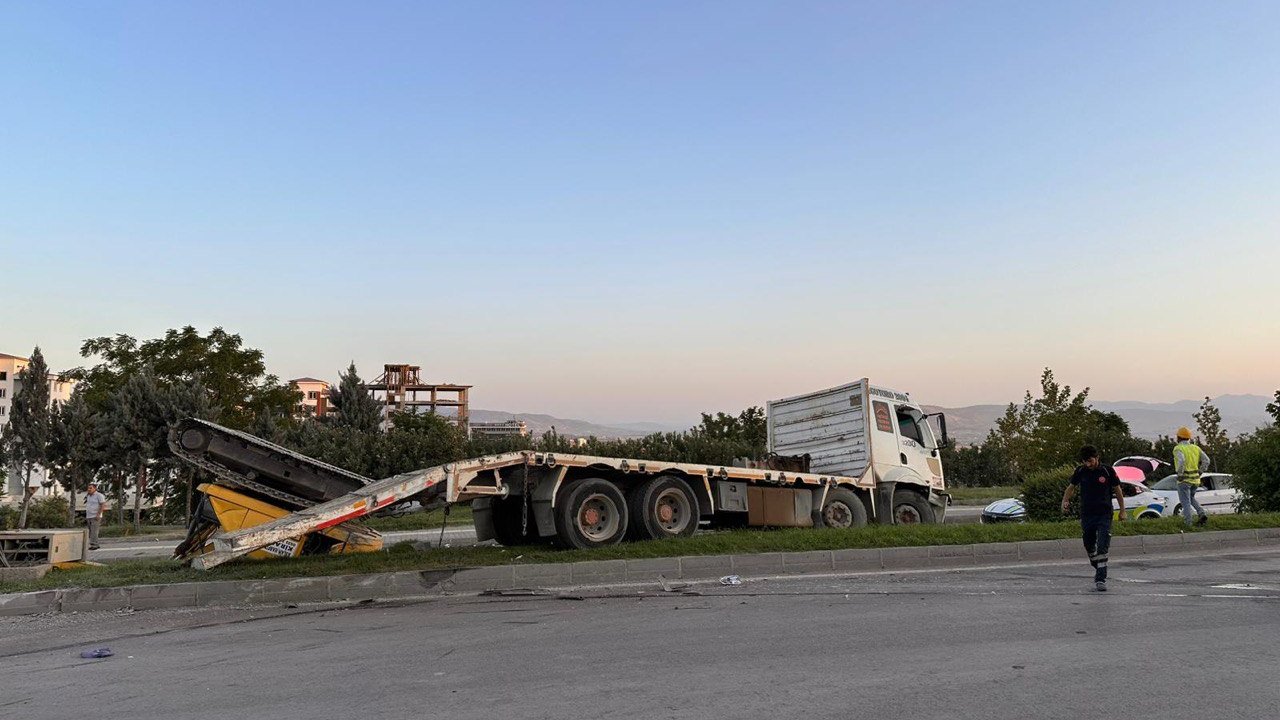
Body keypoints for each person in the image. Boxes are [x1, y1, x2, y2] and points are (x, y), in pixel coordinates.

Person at [1061, 445, 1126, 591]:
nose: (1088, 464)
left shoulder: (1107, 471)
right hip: (1087, 514)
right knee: (1089, 543)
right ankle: (1097, 564)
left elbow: (1118, 490)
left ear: (1097, 458)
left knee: (1103, 545)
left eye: (1090, 461)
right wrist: (1065, 501)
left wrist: (1122, 511)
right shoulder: (1080, 471)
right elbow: (1071, 487)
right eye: (1085, 461)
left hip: (1104, 514)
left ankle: (1100, 579)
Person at [1172, 426, 1209, 527]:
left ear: (1178, 438)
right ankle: (1202, 513)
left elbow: (1181, 461)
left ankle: (1188, 523)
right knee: (1191, 498)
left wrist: (1180, 474)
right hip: (1196, 480)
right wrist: (1200, 472)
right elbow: (1207, 460)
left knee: (1185, 502)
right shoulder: (1195, 448)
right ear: (1188, 438)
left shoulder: (1178, 448)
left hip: (1184, 480)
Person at [84, 482, 108, 550]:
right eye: (88, 488)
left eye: (90, 488)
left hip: (95, 516)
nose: (89, 489)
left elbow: (102, 505)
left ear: (95, 488)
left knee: (94, 531)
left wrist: (98, 514)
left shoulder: (99, 495)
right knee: (91, 531)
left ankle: (94, 544)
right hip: (89, 515)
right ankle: (94, 543)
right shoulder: (88, 496)